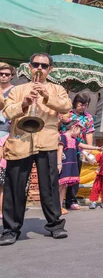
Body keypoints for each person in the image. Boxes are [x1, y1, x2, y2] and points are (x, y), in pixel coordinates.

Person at [0, 53, 70, 246]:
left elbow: (66, 107)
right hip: (20, 142)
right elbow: (6, 112)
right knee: (14, 187)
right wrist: (24, 103)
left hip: (46, 142)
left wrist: (47, 96)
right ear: (29, 67)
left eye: (44, 66)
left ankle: (55, 225)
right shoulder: (18, 90)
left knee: (49, 186)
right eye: (36, 64)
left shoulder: (57, 89)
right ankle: (10, 229)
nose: (40, 68)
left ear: (50, 69)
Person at [60, 93, 100, 210]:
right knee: (61, 174)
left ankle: (71, 199)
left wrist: (88, 149)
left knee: (74, 175)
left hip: (78, 149)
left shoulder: (88, 118)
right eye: (80, 104)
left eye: (85, 105)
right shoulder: (67, 114)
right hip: (63, 147)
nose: (83, 107)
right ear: (75, 103)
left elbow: (89, 133)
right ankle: (58, 199)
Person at [57, 121, 83, 215]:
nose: (79, 133)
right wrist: (59, 163)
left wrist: (96, 148)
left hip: (70, 165)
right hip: (64, 164)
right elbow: (60, 150)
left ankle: (60, 206)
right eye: (79, 131)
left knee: (64, 186)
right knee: (59, 185)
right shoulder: (63, 137)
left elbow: (81, 145)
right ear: (73, 128)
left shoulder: (74, 139)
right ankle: (55, 206)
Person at [0, 62, 16, 139]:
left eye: (7, 74)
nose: (3, 76)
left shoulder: (16, 90)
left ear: (12, 76)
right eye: (1, 74)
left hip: (5, 128)